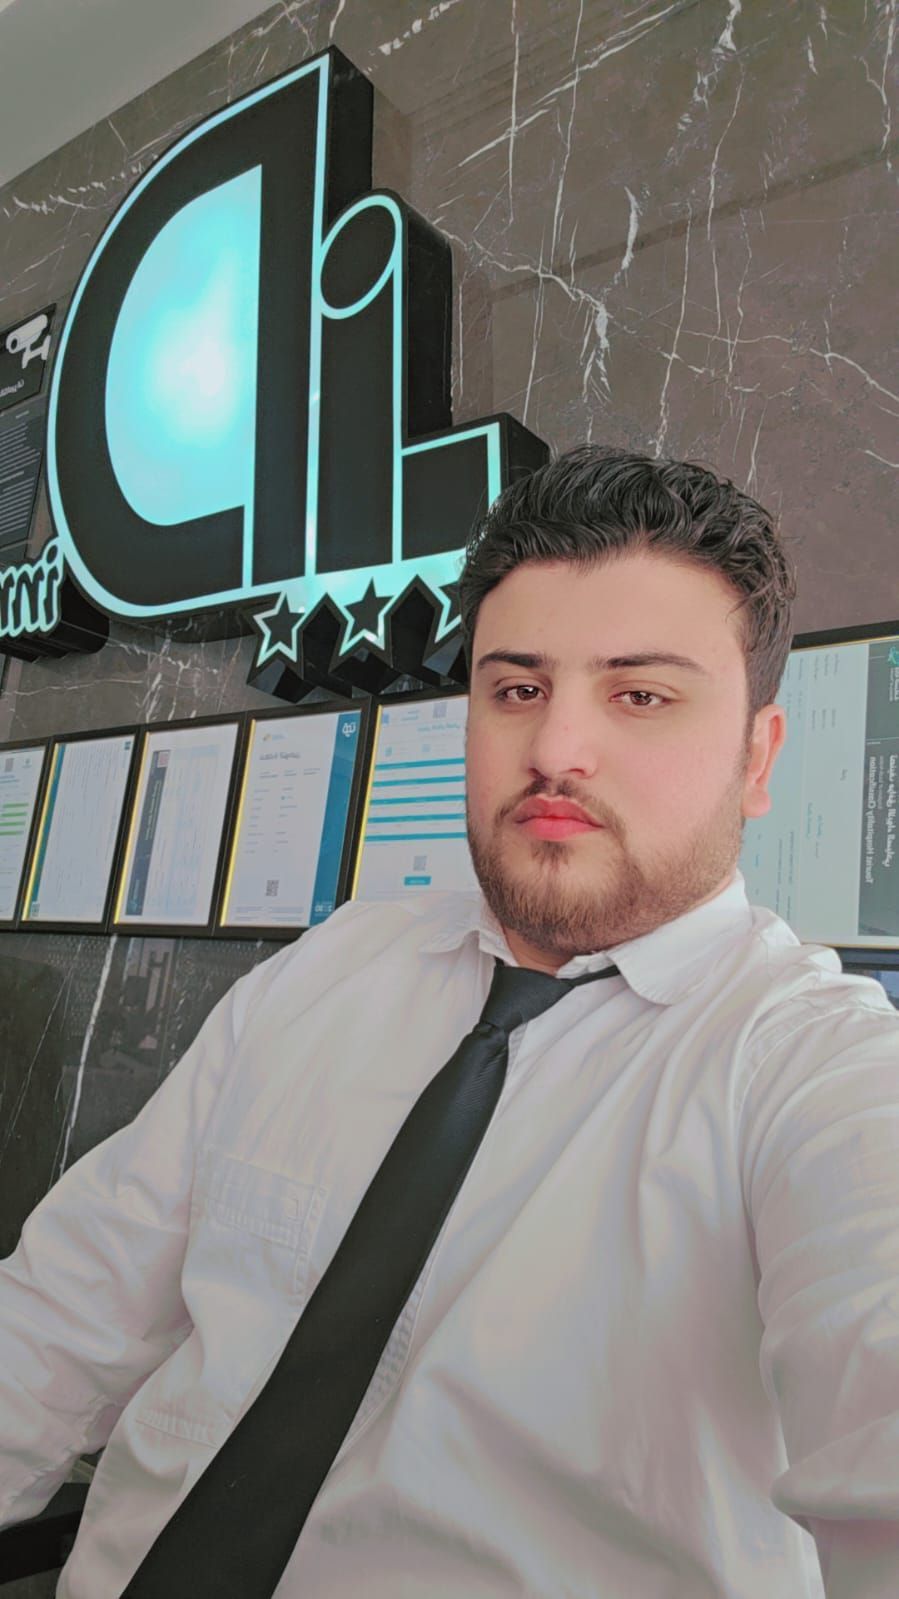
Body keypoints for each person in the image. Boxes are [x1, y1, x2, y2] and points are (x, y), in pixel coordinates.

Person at [2, 445, 898, 1598]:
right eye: (515, 690)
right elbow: (60, 1316)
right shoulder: (332, 968)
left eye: (639, 695)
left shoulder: (811, 1069)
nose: (554, 750)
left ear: (756, 757)